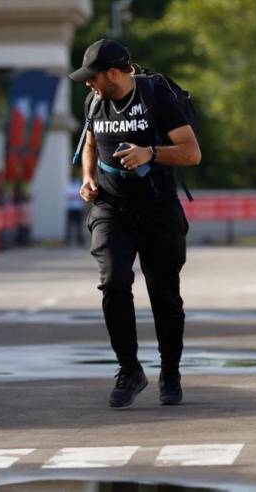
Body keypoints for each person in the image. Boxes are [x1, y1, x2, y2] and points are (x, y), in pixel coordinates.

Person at [70, 39, 201, 408]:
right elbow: (91, 144)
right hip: (111, 208)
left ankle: (170, 371)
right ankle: (129, 369)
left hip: (158, 208)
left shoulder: (156, 95)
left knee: (165, 297)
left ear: (113, 73)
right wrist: (88, 178)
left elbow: (192, 153)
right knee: (113, 281)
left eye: (92, 77)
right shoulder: (95, 100)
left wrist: (151, 153)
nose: (87, 84)